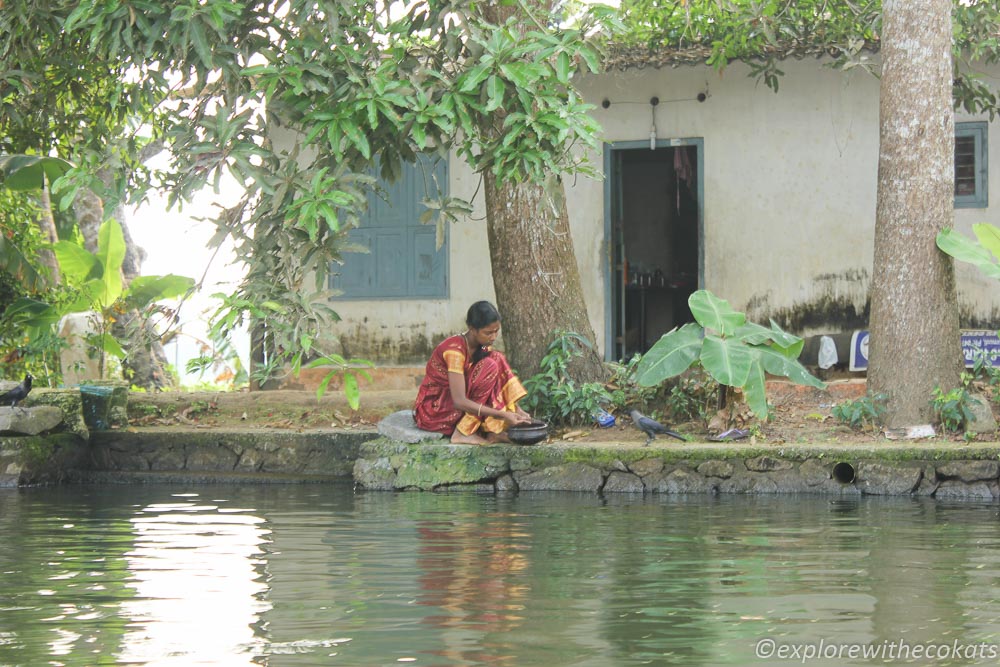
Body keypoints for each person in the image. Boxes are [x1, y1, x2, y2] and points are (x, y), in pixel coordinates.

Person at [414, 301, 532, 444]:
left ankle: (493, 431)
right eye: (488, 333)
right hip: (436, 410)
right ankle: (461, 433)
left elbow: (493, 384)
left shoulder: (482, 347)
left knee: (497, 358)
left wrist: (516, 410)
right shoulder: (454, 351)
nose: (493, 337)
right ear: (472, 329)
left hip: (457, 404)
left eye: (496, 331)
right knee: (489, 366)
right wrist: (502, 414)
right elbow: (459, 401)